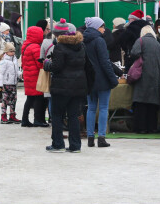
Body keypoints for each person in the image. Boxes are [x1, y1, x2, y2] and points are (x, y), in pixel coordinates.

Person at [47, 21, 90, 153]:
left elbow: (56, 67)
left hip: (61, 86)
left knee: (57, 115)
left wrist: (47, 64)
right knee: (73, 115)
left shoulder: (60, 47)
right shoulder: (81, 45)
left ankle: (58, 144)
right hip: (78, 85)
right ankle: (75, 145)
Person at [83, 17, 119, 148]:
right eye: (103, 26)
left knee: (91, 108)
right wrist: (113, 79)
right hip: (102, 79)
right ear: (97, 27)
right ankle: (102, 137)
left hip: (89, 79)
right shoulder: (99, 40)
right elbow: (105, 62)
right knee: (103, 108)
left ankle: (90, 137)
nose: (104, 29)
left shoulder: (84, 40)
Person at [130, 25, 160, 134]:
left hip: (143, 76)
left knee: (141, 103)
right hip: (155, 78)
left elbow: (134, 53)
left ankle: (140, 128)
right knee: (152, 104)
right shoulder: (158, 44)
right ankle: (152, 127)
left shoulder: (140, 40)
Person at [21, 26, 48, 127]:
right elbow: (40, 63)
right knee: (38, 98)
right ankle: (37, 119)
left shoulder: (26, 45)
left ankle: (24, 119)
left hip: (28, 75)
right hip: (35, 76)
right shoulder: (35, 47)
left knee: (30, 99)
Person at [0, 42, 20, 124]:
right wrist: (0, 85)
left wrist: (20, 75)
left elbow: (17, 70)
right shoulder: (4, 61)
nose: (13, 53)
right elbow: (0, 73)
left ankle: (12, 115)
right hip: (6, 84)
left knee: (14, 99)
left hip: (13, 83)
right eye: (11, 51)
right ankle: (3, 116)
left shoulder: (15, 59)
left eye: (14, 51)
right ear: (6, 52)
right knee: (5, 100)